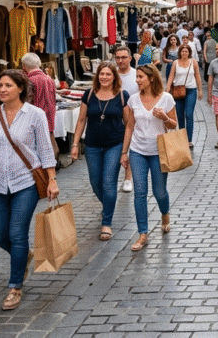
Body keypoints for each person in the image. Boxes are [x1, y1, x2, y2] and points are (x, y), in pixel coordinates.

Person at [0, 69, 58, 311]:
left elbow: (46, 150)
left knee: (17, 233)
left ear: (20, 88)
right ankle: (23, 255)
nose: (2, 89)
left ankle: (15, 286)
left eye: (8, 85)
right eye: (0, 85)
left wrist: (52, 179)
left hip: (25, 182)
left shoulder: (35, 115)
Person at [70, 62, 131, 242]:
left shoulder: (122, 96)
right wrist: (75, 144)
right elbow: (81, 121)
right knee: (95, 182)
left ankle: (107, 223)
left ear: (114, 77)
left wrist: (125, 150)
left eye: (108, 74)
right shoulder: (88, 95)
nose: (104, 77)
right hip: (92, 145)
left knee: (108, 182)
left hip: (114, 144)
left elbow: (128, 125)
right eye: (101, 74)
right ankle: (108, 205)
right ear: (97, 76)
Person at [122, 64, 176, 252]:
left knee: (160, 191)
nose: (137, 80)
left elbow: (173, 125)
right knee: (140, 192)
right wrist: (124, 152)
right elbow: (129, 126)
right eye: (136, 77)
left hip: (159, 151)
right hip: (138, 152)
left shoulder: (166, 98)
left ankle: (165, 213)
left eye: (140, 77)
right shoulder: (133, 100)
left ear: (151, 78)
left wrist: (164, 117)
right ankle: (143, 232)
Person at [21, 53, 59, 160]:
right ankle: (53, 166)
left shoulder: (29, 81)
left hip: (35, 119)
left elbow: (27, 102)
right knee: (50, 140)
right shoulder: (49, 79)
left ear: (24, 66)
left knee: (40, 146)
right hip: (49, 115)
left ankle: (46, 170)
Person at [166, 44, 202, 149]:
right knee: (180, 115)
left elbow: (197, 76)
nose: (184, 53)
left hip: (191, 90)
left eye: (186, 51)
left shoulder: (193, 62)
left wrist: (200, 90)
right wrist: (168, 88)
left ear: (189, 53)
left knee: (189, 114)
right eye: (182, 51)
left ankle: (189, 140)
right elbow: (171, 76)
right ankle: (182, 138)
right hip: (178, 91)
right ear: (180, 53)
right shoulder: (175, 63)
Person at [114, 46, 139, 194]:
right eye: (118, 58)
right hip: (114, 116)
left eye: (124, 57)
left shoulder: (136, 75)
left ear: (130, 58)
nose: (121, 60)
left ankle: (128, 178)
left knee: (128, 147)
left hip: (133, 116)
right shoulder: (111, 75)